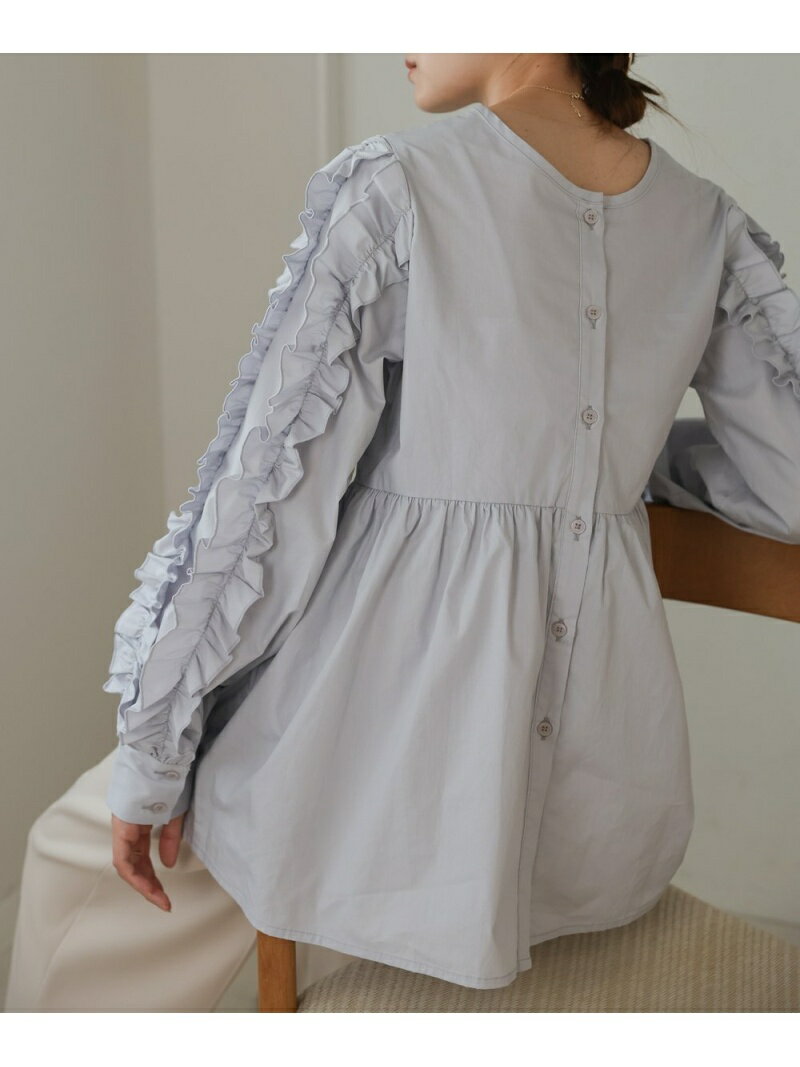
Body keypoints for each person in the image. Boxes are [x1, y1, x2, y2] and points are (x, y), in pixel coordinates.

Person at [5, 53, 799, 1011]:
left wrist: (154, 751)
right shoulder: (706, 223)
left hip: (358, 739)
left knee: (73, 859)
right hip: (599, 805)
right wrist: (607, 473)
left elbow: (265, 503)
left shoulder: (402, 188)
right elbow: (789, 480)